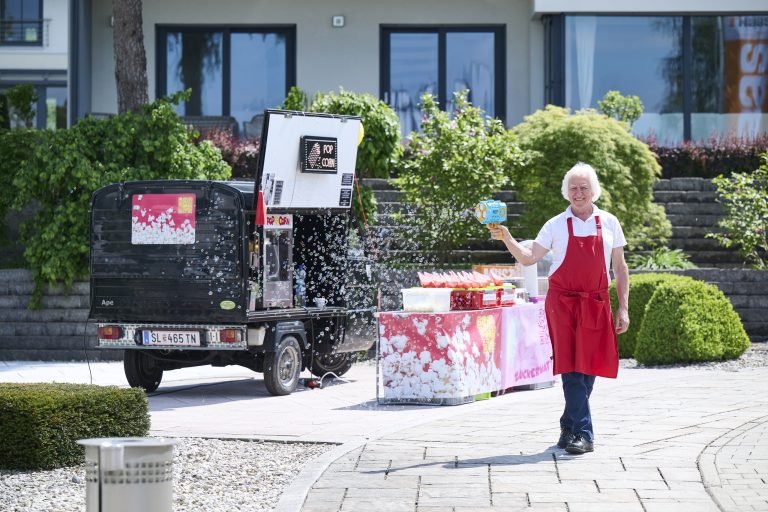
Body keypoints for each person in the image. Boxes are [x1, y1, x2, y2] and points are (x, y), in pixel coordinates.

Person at [488, 162, 629, 455]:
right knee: (572, 367)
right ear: (566, 193)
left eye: (583, 188)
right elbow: (528, 258)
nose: (578, 193)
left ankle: (568, 423)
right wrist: (507, 237)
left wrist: (623, 308)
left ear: (594, 191)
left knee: (588, 367)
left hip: (596, 301)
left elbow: (620, 267)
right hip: (562, 304)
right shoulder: (554, 225)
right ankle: (583, 434)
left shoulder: (610, 222)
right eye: (573, 188)